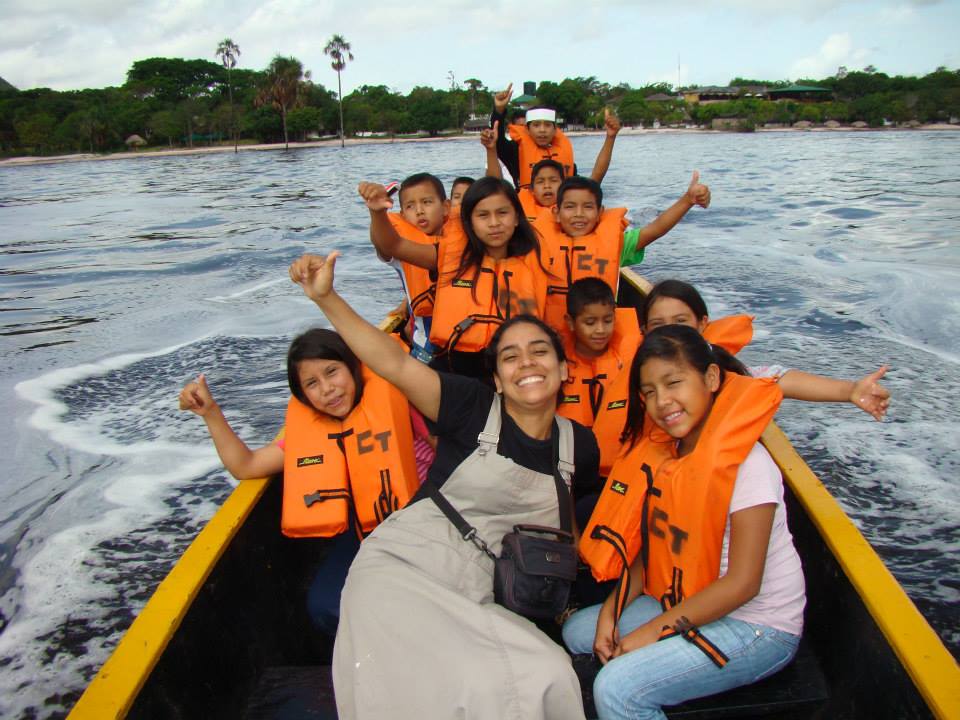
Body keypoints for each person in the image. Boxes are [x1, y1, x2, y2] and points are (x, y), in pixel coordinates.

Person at [289, 250, 600, 720]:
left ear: (563, 369)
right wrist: (326, 298)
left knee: (545, 674)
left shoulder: (581, 447)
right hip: (405, 565)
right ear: (496, 379)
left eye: (540, 352)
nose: (526, 364)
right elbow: (392, 364)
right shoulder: (471, 407)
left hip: (486, 584)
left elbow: (565, 524)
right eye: (509, 357)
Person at [566, 325, 805, 719]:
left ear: (711, 378)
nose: (662, 402)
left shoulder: (747, 465)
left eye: (674, 382)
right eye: (649, 392)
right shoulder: (672, 456)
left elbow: (744, 583)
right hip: (692, 598)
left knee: (617, 689)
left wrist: (652, 632)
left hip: (759, 627)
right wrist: (611, 610)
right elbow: (663, 547)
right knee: (580, 632)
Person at [177, 328, 422, 636]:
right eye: (312, 384)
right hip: (371, 536)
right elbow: (246, 465)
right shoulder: (309, 439)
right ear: (302, 396)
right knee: (326, 606)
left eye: (332, 372)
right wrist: (210, 413)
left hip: (427, 524)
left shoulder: (402, 399)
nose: (327, 389)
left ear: (354, 366)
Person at [360, 175, 553, 377]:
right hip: (456, 365)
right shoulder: (449, 256)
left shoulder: (534, 261)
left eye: (502, 213)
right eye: (483, 215)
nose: (494, 223)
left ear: (516, 218)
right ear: (469, 222)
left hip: (513, 366)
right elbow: (393, 245)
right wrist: (378, 212)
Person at [539, 174, 711, 331]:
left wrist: (688, 200)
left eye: (588, 207)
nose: (579, 214)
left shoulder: (617, 245)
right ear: (557, 213)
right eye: (570, 207)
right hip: (553, 335)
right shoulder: (536, 245)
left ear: (600, 213)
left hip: (597, 333)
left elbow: (655, 229)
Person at [490, 82, 621, 191]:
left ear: (555, 129)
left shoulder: (564, 156)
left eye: (547, 125)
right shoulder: (515, 152)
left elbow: (594, 182)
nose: (542, 130)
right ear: (527, 130)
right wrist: (499, 111)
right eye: (536, 125)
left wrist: (610, 138)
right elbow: (498, 141)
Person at [558, 277, 641, 429]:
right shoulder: (556, 365)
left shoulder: (635, 358)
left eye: (608, 321)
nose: (600, 330)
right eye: (590, 323)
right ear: (570, 322)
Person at [517, 110, 623, 223]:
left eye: (553, 180)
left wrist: (610, 138)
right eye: (540, 181)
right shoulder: (518, 206)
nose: (547, 186)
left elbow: (596, 179)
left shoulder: (572, 207)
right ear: (532, 189)